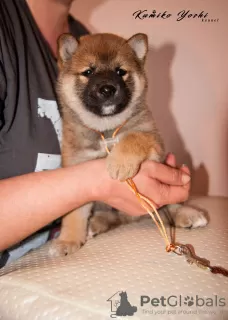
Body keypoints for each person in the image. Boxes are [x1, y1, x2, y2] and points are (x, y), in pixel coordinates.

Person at [0, 0, 191, 266]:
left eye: (120, 72)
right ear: (65, 62)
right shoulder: (8, 28)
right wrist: (96, 181)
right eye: (89, 73)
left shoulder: (82, 32)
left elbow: (150, 145)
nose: (106, 85)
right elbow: (83, 181)